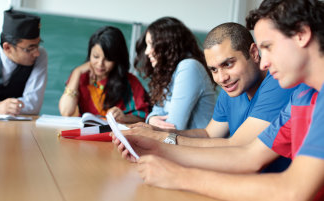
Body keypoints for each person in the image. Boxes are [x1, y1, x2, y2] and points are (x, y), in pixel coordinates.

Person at [116, 0, 324, 200]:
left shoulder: (289, 88)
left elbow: (292, 191)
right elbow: (249, 155)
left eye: (269, 47)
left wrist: (179, 176)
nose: (264, 63)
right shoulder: (302, 95)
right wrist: (158, 147)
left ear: (301, 35)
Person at [125, 22, 294, 172]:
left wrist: (161, 139)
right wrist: (158, 131)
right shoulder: (233, 89)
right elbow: (208, 134)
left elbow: (238, 145)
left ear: (254, 53)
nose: (221, 78)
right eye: (213, 69)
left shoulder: (278, 82)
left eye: (228, 64)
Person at [134, 17, 216, 130]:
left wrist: (152, 122)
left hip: (196, 145)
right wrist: (151, 119)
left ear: (167, 45)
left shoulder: (189, 67)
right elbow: (157, 111)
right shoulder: (170, 72)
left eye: (151, 44)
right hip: (179, 143)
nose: (147, 52)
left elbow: (174, 127)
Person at [59, 26, 149, 124]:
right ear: (89, 54)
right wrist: (77, 72)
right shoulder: (81, 77)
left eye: (108, 59)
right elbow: (66, 111)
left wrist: (124, 117)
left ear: (117, 58)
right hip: (85, 135)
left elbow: (143, 118)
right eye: (96, 57)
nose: (100, 64)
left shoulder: (131, 82)